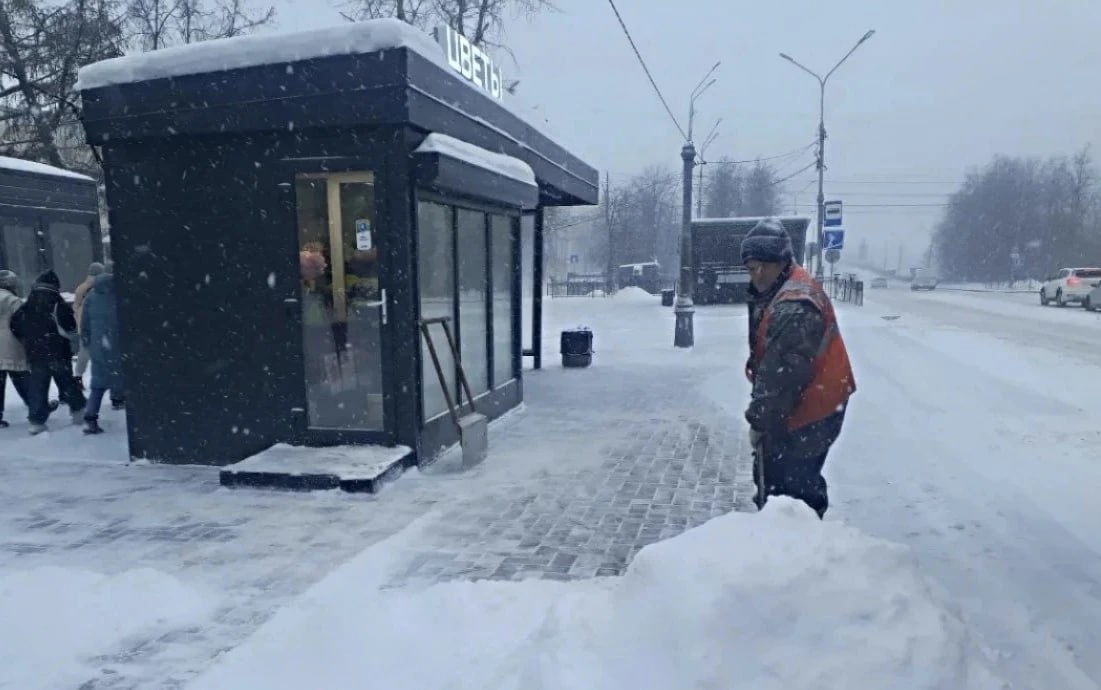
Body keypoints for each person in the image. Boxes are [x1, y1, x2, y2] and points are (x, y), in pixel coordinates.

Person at [741, 218, 856, 518]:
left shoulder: (794, 304)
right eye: (751, 268)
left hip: (812, 409)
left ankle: (799, 550)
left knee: (790, 489)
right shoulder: (783, 288)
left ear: (779, 262)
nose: (755, 275)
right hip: (812, 400)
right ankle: (794, 541)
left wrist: (759, 422)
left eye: (759, 267)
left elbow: (782, 377)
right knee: (787, 481)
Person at [10, 270, 87, 434]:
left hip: (36, 354)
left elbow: (15, 325)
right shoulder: (58, 304)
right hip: (58, 352)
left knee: (37, 387)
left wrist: (28, 340)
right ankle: (78, 412)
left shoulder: (27, 305)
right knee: (67, 384)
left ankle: (37, 421)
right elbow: (71, 327)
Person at [80, 272, 124, 434]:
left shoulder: (91, 297)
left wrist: (87, 340)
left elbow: (84, 322)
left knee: (98, 385)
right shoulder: (119, 296)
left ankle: (90, 418)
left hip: (99, 347)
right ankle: (120, 400)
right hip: (119, 346)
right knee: (126, 379)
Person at [0, 270, 31, 428]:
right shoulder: (13, 301)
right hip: (12, 344)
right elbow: (22, 324)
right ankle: (35, 406)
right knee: (21, 377)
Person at [72, 262, 106, 386]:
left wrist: (79, 319)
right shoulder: (103, 286)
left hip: (83, 324)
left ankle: (78, 376)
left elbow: (76, 306)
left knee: (84, 352)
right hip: (99, 323)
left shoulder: (81, 287)